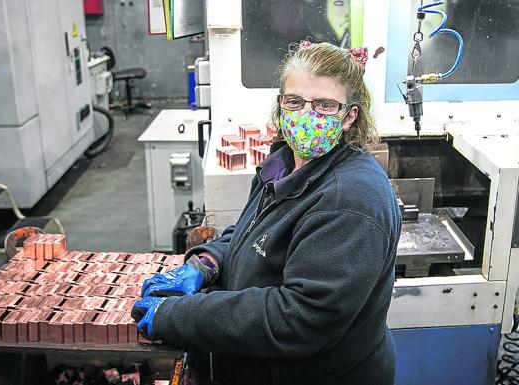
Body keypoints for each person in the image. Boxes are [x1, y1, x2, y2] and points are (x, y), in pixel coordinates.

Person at [132, 42, 402, 385]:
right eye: (295, 102)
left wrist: (178, 316)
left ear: (350, 116)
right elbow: (252, 233)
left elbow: (300, 318)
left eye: (325, 105)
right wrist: (207, 263)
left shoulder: (350, 198)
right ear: (281, 105)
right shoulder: (287, 163)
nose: (307, 115)